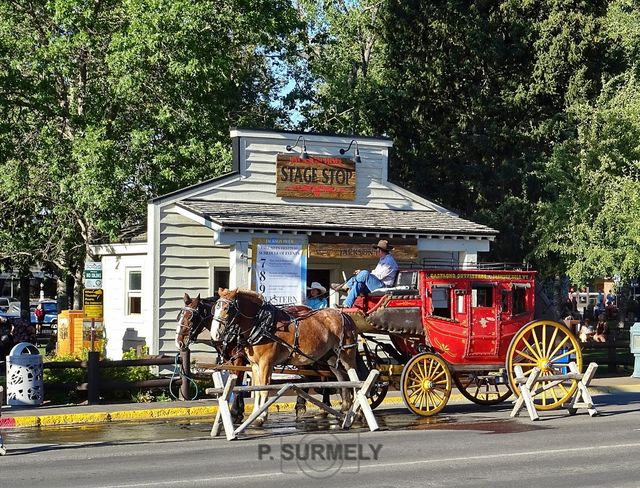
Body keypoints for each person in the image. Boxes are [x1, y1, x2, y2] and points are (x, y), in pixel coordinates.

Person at [334, 239, 398, 307]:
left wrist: (363, 274)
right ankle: (346, 304)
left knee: (364, 273)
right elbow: (375, 273)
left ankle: (347, 286)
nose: (376, 252)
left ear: (380, 250)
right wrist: (362, 274)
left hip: (383, 287)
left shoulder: (389, 262)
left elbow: (379, 276)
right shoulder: (383, 260)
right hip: (377, 284)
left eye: (377, 250)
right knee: (359, 284)